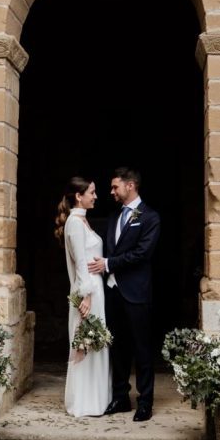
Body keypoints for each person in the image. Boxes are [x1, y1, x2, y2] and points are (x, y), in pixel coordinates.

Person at [87, 167, 160, 422]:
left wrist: (108, 264)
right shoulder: (114, 215)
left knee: (142, 349)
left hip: (137, 292)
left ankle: (145, 402)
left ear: (130, 186)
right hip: (113, 291)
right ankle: (120, 398)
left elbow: (142, 254)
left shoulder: (149, 217)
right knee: (117, 347)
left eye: (115, 187)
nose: (112, 192)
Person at [55, 176, 111, 417]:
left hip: (96, 291)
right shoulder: (75, 224)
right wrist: (85, 297)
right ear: (79, 196)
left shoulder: (82, 221)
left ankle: (98, 399)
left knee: (96, 344)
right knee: (85, 344)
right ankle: (84, 402)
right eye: (92, 192)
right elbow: (80, 263)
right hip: (87, 293)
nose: (95, 196)